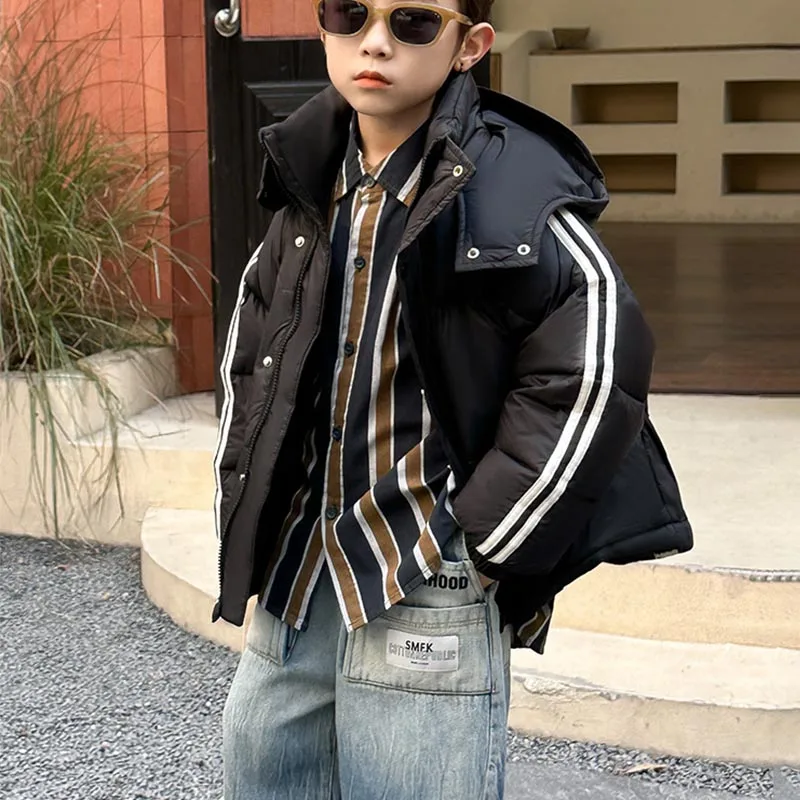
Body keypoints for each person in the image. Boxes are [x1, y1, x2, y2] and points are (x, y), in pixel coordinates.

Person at [213, 0, 693, 797]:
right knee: (263, 771)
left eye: (412, 22)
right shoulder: (309, 175)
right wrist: (243, 502)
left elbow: (599, 355)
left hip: (424, 570)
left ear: (469, 46)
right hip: (298, 570)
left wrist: (486, 540)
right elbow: (250, 350)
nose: (374, 42)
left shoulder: (512, 183)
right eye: (348, 13)